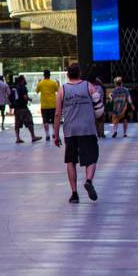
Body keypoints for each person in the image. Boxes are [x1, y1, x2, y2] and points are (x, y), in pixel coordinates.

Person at [53, 63, 100, 204]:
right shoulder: (88, 86)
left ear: (67, 74)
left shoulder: (62, 90)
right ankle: (89, 180)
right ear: (79, 73)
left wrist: (56, 135)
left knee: (71, 161)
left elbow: (57, 114)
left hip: (70, 131)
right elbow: (98, 106)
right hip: (88, 129)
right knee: (91, 158)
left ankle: (74, 194)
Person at [10, 75, 42, 144]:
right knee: (29, 121)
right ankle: (33, 136)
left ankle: (18, 138)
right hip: (23, 108)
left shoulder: (15, 87)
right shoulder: (23, 87)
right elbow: (25, 97)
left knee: (17, 124)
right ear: (22, 80)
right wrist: (29, 99)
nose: (25, 80)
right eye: (24, 79)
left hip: (16, 108)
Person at [35, 70, 60, 141]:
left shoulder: (40, 83)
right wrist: (58, 84)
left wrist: (38, 83)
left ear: (44, 75)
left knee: (45, 121)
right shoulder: (53, 83)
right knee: (53, 120)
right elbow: (58, 91)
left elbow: (36, 91)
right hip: (53, 104)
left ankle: (47, 134)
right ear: (49, 75)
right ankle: (53, 133)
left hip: (44, 105)